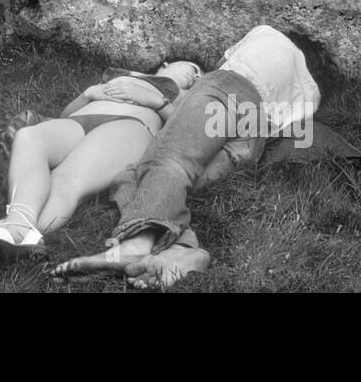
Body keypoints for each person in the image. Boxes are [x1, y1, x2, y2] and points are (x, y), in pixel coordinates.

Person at [52, 25, 321, 288]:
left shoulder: (264, 34)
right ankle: (183, 250)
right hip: (252, 139)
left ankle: (138, 243)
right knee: (131, 176)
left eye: (196, 72)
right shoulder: (310, 93)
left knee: (170, 162)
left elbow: (222, 65)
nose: (194, 76)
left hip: (227, 89)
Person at [0, 60, 208, 264]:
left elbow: (186, 133)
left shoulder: (186, 95)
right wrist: (87, 95)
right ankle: (17, 232)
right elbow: (66, 113)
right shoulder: (121, 73)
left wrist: (157, 101)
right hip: (79, 122)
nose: (196, 76)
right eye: (193, 68)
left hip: (130, 127)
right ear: (166, 64)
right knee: (29, 137)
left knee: (66, 178)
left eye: (200, 76)